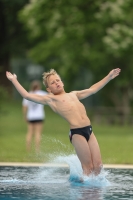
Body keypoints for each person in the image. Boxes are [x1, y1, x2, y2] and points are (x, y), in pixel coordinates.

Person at [6, 68, 121, 176]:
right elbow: (27, 95)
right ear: (49, 90)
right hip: (77, 133)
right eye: (52, 83)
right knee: (88, 168)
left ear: (62, 82)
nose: (56, 83)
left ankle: (95, 190)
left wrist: (109, 76)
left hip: (89, 131)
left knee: (98, 166)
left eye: (58, 80)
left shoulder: (74, 94)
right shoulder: (51, 99)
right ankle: (85, 193)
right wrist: (14, 80)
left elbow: (93, 89)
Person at [22, 80, 47, 152]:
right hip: (39, 116)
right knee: (38, 133)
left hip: (31, 116)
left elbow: (24, 106)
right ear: (38, 86)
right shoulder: (42, 93)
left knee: (29, 133)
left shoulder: (28, 94)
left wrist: (24, 115)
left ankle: (28, 148)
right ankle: (37, 149)